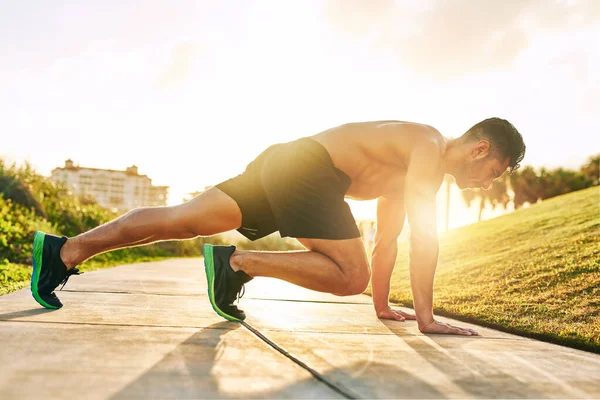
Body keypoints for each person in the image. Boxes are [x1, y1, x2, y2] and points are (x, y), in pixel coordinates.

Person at [30, 118, 525, 336]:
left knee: (181, 221)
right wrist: (427, 318)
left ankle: (65, 252)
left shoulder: (419, 169)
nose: (488, 183)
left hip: (287, 163)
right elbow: (425, 236)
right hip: (309, 169)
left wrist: (383, 307)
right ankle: (235, 264)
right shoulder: (427, 145)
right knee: (348, 276)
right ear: (480, 149)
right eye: (495, 171)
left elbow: (391, 239)